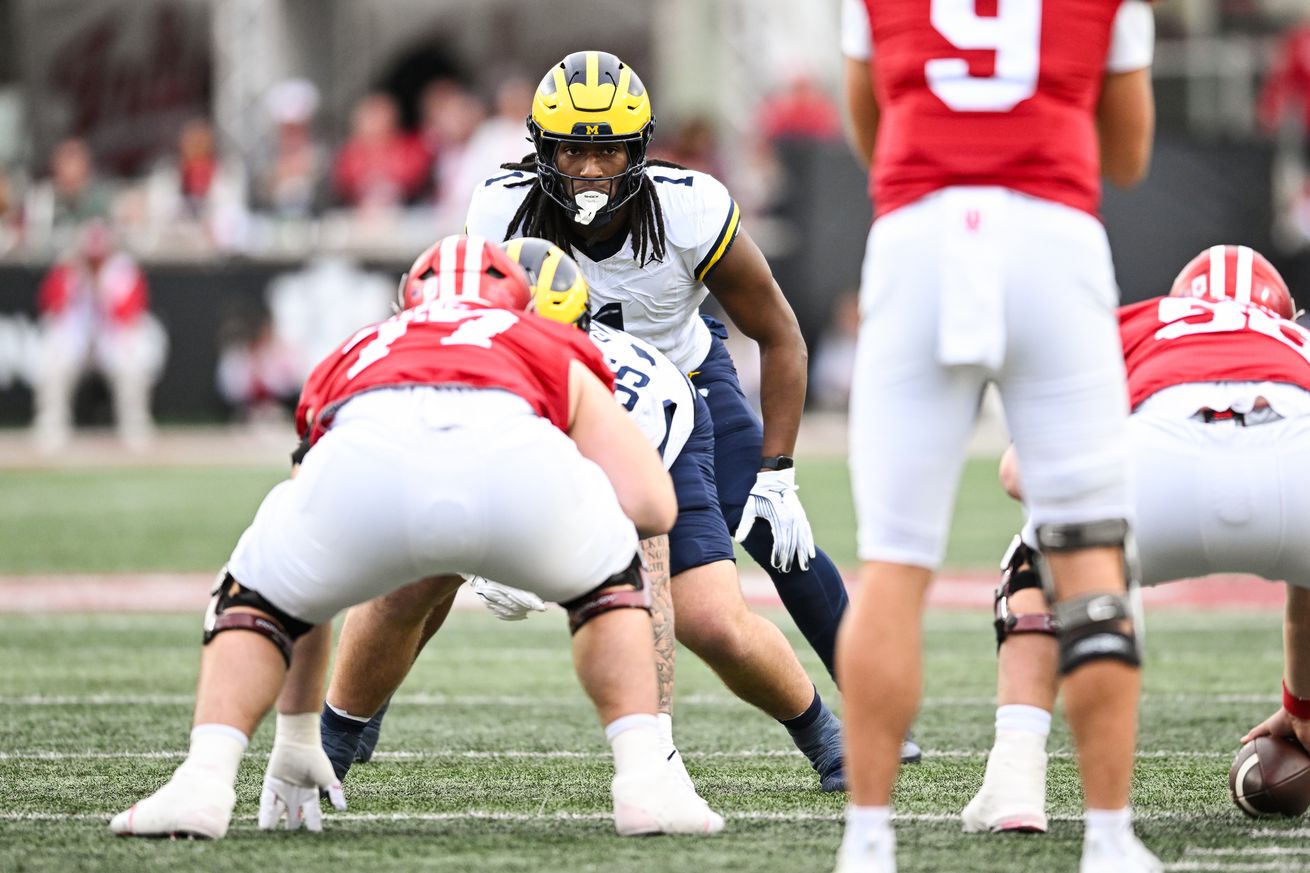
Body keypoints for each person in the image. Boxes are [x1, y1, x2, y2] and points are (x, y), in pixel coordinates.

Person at [109, 234, 723, 840]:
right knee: (617, 573)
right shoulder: (545, 341)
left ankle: (204, 781)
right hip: (518, 474)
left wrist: (296, 735)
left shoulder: (358, 347)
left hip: (366, 471)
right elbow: (650, 504)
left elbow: (308, 561)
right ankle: (643, 781)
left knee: (260, 586)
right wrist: (557, 555)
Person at [318, 238, 847, 795]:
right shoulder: (416, 368)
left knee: (710, 619)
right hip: (487, 462)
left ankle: (825, 738)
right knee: (404, 582)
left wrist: (654, 747)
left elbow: (646, 562)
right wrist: (478, 559)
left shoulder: (630, 392)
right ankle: (333, 741)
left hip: (641, 468)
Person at [463, 53, 882, 745]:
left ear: (639, 149)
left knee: (779, 540)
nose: (591, 170)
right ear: (541, 149)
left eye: (609, 150)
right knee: (422, 560)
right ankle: (340, 731)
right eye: (572, 149)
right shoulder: (499, 209)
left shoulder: (688, 207)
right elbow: (475, 341)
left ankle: (871, 711)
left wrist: (778, 472)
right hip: (565, 395)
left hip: (686, 381)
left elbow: (781, 336)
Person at [836, 3, 1157, 873]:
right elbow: (1126, 155)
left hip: (918, 236)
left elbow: (872, 130)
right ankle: (1109, 838)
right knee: (1089, 554)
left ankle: (867, 843)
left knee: (894, 562)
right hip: (1050, 239)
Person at [966, 244, 1310, 829]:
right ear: (1282, 313)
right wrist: (1301, 707)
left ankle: (1015, 782)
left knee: (1032, 566)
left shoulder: (1141, 324)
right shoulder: (1297, 341)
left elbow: (1016, 472)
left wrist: (1077, 541)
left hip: (1159, 466)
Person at [32, 220, 166, 451]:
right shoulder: (68, 269)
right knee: (52, 361)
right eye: (91, 259)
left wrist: (101, 289)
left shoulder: (122, 270)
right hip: (76, 340)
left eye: (99, 259)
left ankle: (134, 424)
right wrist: (76, 283)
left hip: (110, 339)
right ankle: (52, 424)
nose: (95, 264)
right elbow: (50, 306)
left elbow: (129, 313)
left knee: (130, 362)